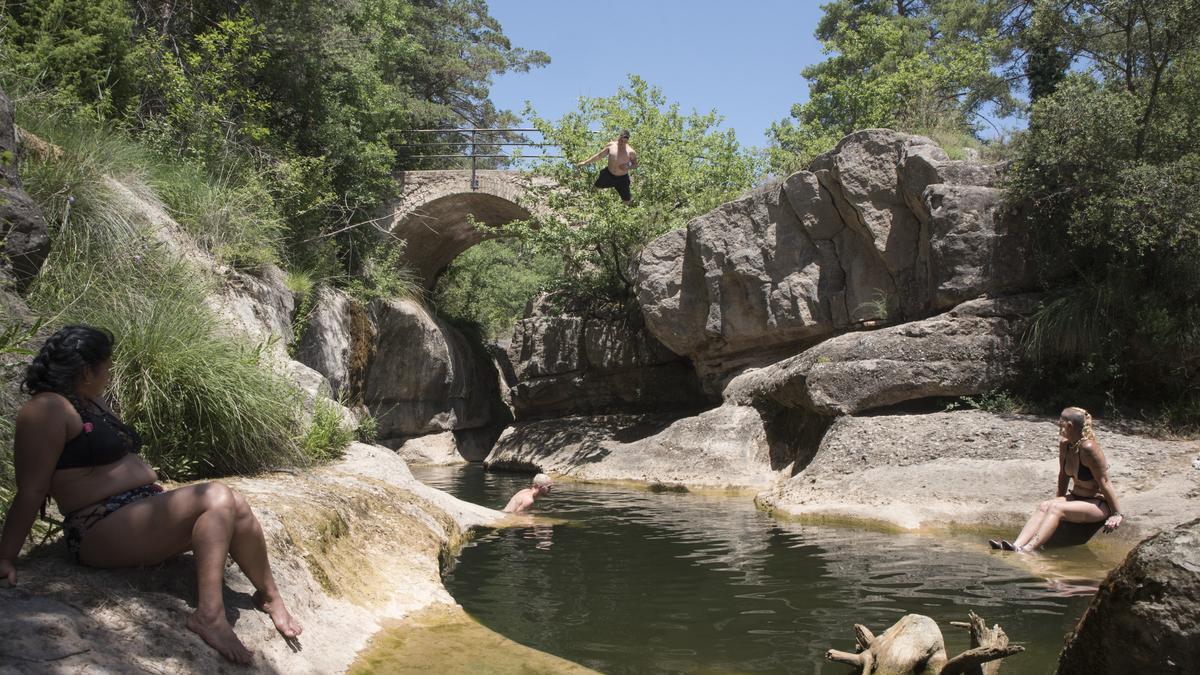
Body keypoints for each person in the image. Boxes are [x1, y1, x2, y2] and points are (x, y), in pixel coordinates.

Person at [0, 325, 301, 664]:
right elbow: (32, 489)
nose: (111, 373)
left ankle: (270, 595)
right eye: (107, 366)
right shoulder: (46, 410)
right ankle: (210, 617)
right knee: (216, 495)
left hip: (136, 514)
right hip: (98, 526)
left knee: (237, 505)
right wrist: (6, 556)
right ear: (86, 371)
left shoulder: (89, 401)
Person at [990, 406, 1125, 552]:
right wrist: (1058, 503)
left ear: (1069, 425)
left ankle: (1027, 550)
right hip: (1076, 497)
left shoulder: (1089, 448)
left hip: (1097, 504)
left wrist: (1117, 514)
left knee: (1055, 508)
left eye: (1061, 420)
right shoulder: (1065, 445)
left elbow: (1104, 482)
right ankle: (1016, 545)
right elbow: (1063, 475)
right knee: (1044, 506)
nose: (1058, 423)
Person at [577, 129, 638, 203]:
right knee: (595, 187)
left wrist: (628, 166)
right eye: (621, 140)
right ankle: (589, 202)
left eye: (625, 142)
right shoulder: (611, 145)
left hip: (622, 179)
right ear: (619, 137)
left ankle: (630, 210)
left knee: (627, 200)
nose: (623, 143)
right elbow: (599, 156)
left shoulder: (631, 152)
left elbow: (635, 165)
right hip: (608, 174)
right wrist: (585, 162)